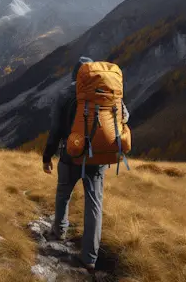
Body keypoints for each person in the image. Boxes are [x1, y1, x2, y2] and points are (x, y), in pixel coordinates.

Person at [42, 56, 129, 273]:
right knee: (94, 204)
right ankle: (89, 257)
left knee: (64, 192)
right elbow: (124, 117)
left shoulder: (64, 94)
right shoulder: (108, 92)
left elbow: (55, 131)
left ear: (76, 75)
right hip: (98, 158)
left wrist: (47, 156)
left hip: (71, 155)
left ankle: (59, 231)